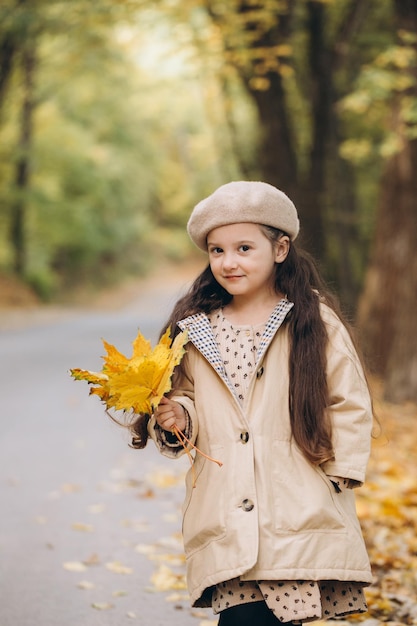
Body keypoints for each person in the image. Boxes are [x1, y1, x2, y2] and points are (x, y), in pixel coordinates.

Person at [131, 181, 374, 625]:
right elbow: (182, 395)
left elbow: (349, 400)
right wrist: (177, 416)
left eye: (244, 247)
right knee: (243, 618)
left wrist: (335, 477)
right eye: (217, 250)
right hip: (227, 514)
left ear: (280, 249)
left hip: (296, 509)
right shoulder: (194, 328)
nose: (229, 262)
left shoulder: (313, 320)